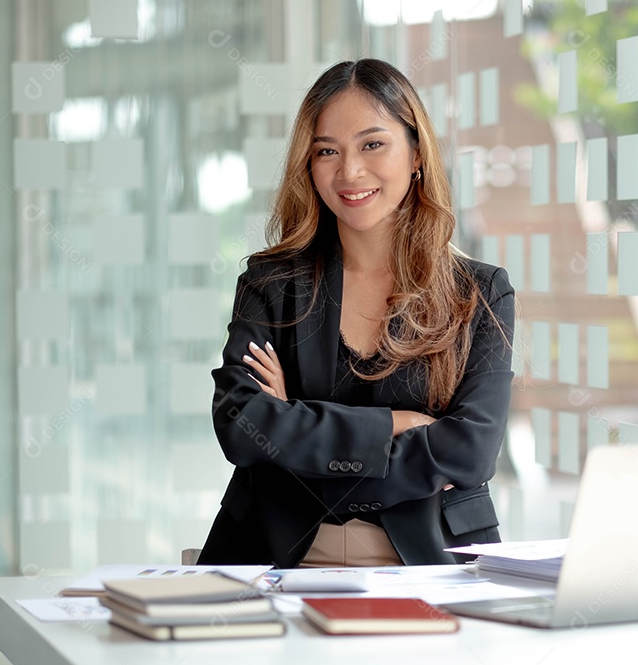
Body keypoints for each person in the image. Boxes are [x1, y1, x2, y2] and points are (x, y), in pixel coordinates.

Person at [197, 58, 515, 568]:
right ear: (309, 165)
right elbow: (242, 423)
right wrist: (396, 424)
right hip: (276, 558)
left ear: (416, 153)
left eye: (372, 144)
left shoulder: (479, 293)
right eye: (327, 151)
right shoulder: (270, 283)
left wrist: (295, 431)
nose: (350, 171)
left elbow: (470, 452)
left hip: (431, 561)